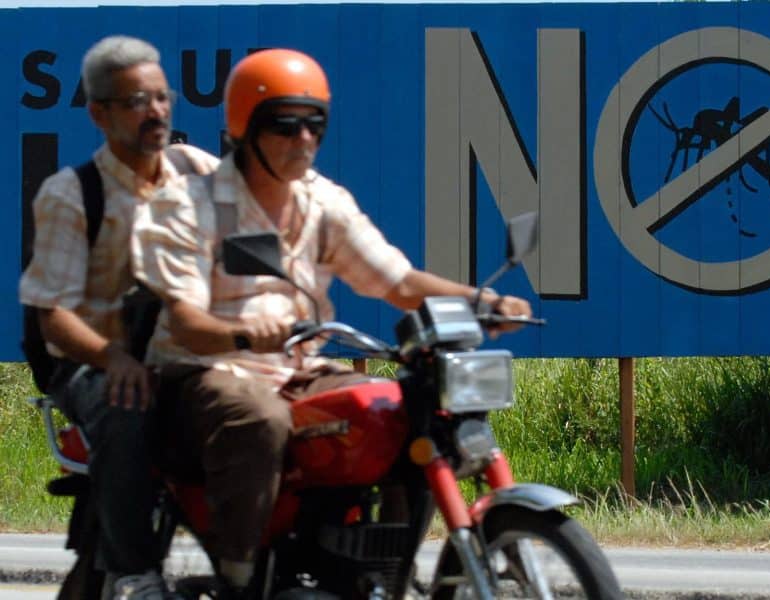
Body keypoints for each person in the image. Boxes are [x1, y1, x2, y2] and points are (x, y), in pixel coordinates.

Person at [130, 48, 532, 596]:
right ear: (246, 127)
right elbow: (185, 322)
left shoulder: (323, 203)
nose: (304, 140)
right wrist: (246, 334)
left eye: (315, 124)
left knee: (395, 411)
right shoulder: (189, 207)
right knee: (259, 420)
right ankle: (240, 578)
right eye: (286, 125)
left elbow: (398, 282)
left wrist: (482, 300)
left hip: (299, 368)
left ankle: (377, 575)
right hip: (201, 371)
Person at [18, 35, 217, 599]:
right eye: (134, 101)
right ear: (100, 115)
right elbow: (53, 319)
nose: (152, 111)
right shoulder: (73, 196)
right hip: (91, 363)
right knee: (126, 398)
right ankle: (136, 573)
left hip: (179, 351)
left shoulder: (199, 171)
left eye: (159, 98)